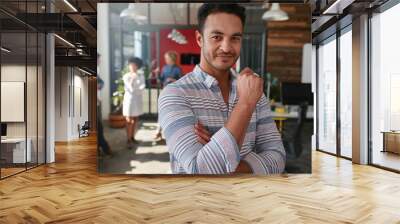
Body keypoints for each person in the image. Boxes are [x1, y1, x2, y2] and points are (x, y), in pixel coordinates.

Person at [158, 3, 286, 174]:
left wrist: (221, 159)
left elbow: (278, 157)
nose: (226, 48)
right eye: (217, 37)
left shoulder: (253, 90)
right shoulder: (175, 94)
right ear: (199, 39)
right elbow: (200, 170)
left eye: (235, 38)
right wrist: (245, 105)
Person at [154, 51, 182, 141]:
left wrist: (173, 79)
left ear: (171, 59)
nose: (165, 60)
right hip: (165, 92)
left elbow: (182, 82)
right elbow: (160, 80)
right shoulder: (164, 68)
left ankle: (170, 133)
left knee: (172, 113)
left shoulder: (178, 69)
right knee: (162, 111)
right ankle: (158, 131)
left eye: (167, 58)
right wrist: (157, 74)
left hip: (175, 94)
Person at [122, 57, 146, 149]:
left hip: (137, 100)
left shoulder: (141, 75)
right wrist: (133, 80)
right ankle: (128, 139)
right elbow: (130, 89)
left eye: (134, 65)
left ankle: (132, 137)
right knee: (129, 120)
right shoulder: (126, 76)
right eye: (130, 65)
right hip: (129, 100)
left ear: (137, 66)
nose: (132, 66)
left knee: (135, 119)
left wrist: (137, 89)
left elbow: (142, 88)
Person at [97, 53, 113, 157]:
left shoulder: (97, 69)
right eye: (99, 59)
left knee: (99, 126)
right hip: (95, 101)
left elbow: (100, 83)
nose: (100, 61)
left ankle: (99, 148)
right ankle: (105, 147)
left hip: (98, 101)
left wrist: (100, 85)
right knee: (99, 126)